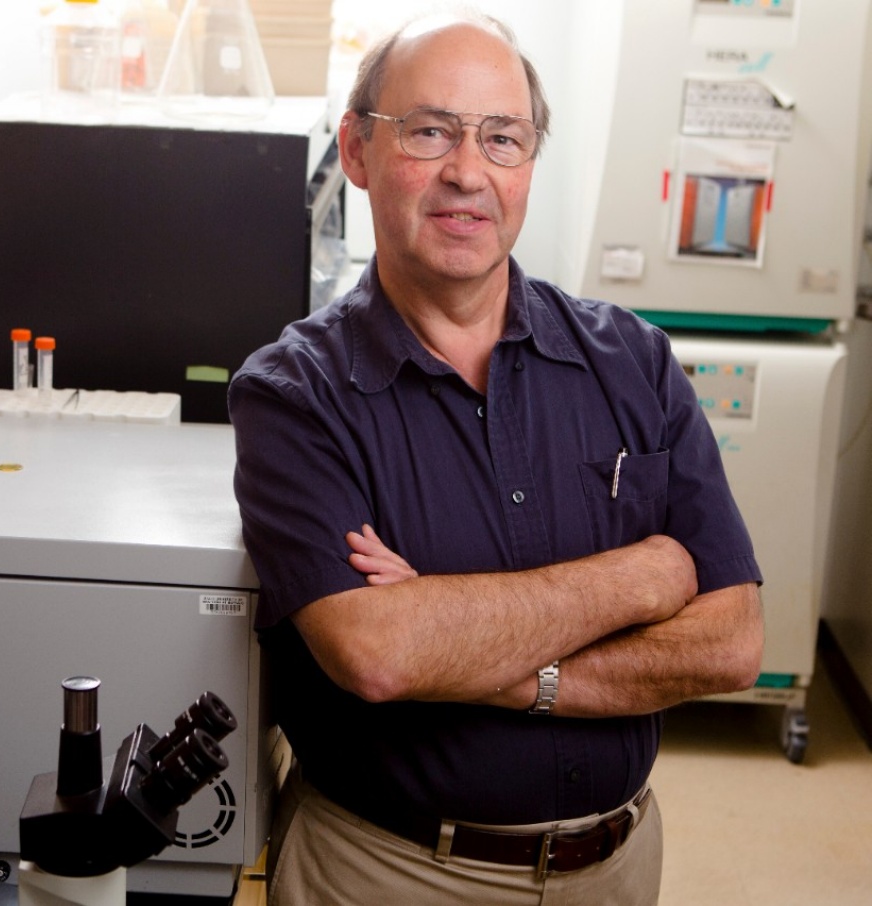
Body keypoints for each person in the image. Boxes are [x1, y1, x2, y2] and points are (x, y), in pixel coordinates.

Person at [227, 11, 764, 906]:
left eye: (502, 138)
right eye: (429, 130)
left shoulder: (634, 361)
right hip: (388, 872)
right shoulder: (292, 395)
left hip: (620, 866)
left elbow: (733, 643)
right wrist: (644, 576)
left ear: (528, 162)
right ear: (357, 152)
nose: (467, 173)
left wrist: (489, 659)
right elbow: (380, 657)